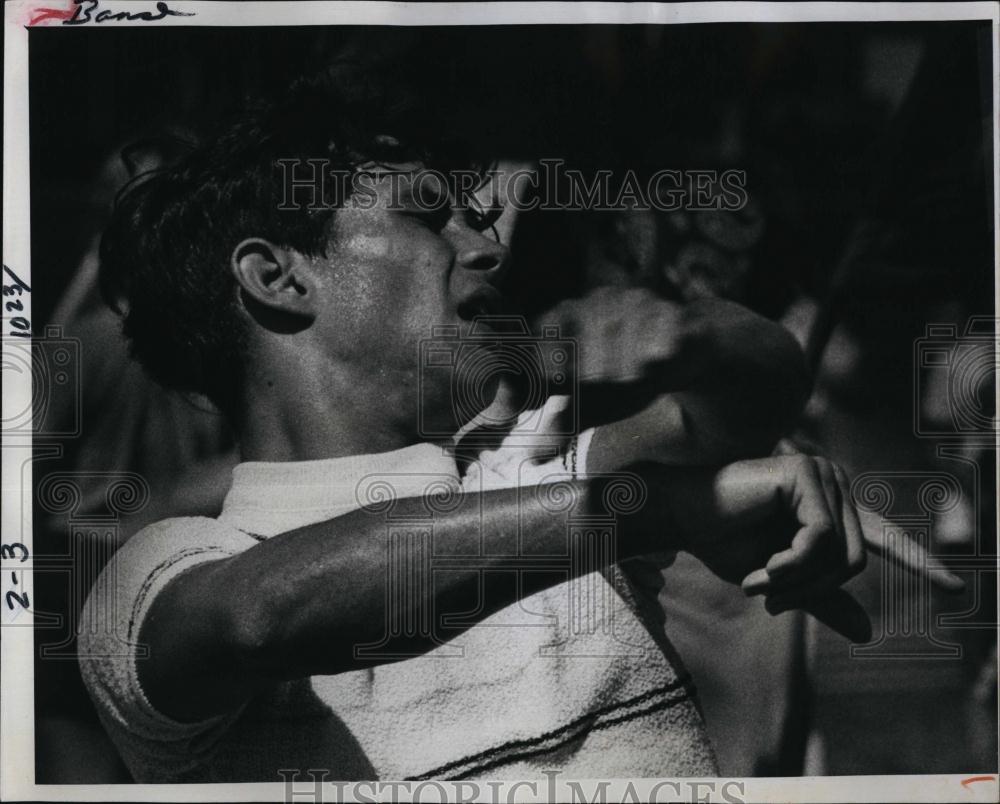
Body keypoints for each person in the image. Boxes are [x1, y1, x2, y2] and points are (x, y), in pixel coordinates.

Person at [78, 67, 869, 782]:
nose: (486, 247)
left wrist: (690, 338)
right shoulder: (159, 576)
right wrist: (656, 511)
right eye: (427, 216)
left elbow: (758, 392)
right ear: (278, 278)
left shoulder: (538, 475)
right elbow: (263, 618)